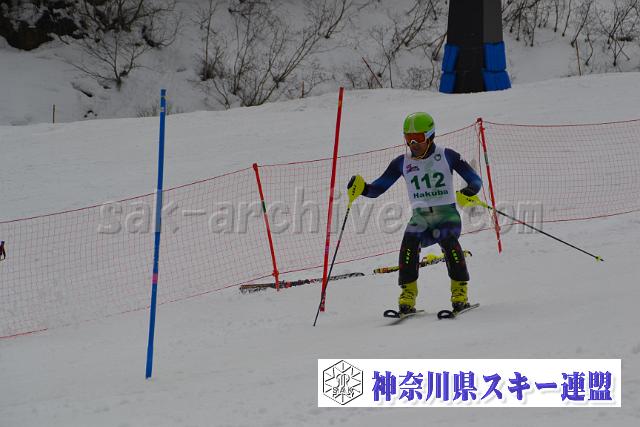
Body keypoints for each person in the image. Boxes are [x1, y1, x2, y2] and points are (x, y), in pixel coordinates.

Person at [348, 112, 482, 314]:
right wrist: (362, 188)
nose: (413, 144)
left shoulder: (447, 155)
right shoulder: (401, 162)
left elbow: (475, 180)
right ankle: (407, 296)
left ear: (430, 136)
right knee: (409, 242)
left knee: (447, 238)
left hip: (447, 215)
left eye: (418, 138)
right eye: (408, 138)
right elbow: (377, 189)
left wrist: (470, 190)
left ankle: (460, 293)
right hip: (421, 218)